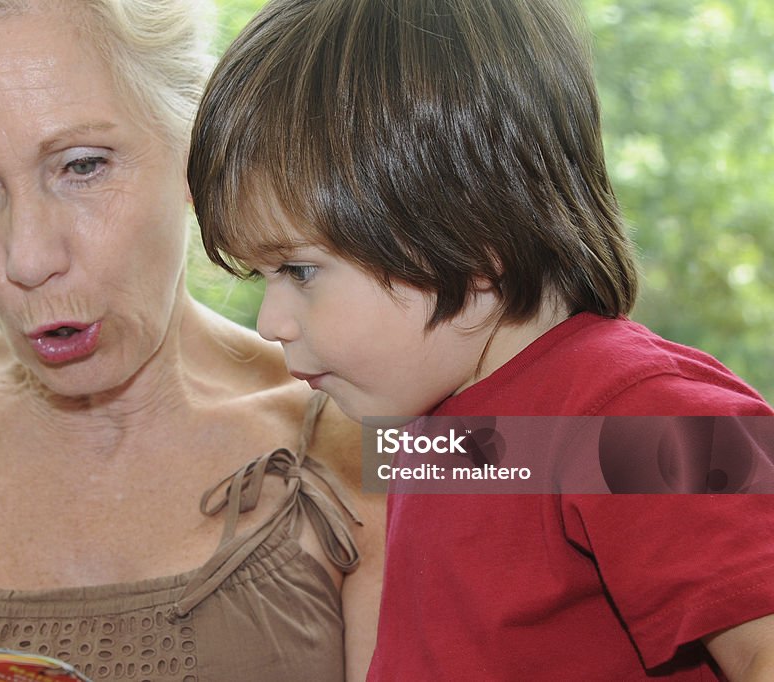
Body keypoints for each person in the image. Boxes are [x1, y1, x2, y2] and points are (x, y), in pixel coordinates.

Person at [0, 1, 385, 680]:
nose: (28, 257)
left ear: (197, 148)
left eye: (83, 166)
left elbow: (512, 453)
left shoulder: (372, 436)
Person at [186, 0, 774, 679]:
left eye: (299, 270)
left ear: (468, 236)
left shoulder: (641, 420)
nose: (271, 322)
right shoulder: (442, 431)